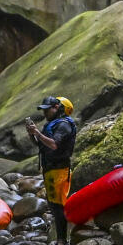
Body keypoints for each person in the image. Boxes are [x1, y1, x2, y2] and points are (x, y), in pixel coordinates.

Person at [27, 95, 78, 224]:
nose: (44, 112)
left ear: (57, 107)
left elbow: (54, 145)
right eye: (43, 110)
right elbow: (40, 144)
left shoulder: (64, 125)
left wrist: (37, 133)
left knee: (59, 205)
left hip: (60, 169)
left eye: (47, 109)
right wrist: (31, 134)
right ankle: (60, 233)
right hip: (50, 169)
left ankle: (63, 235)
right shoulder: (51, 125)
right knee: (53, 204)